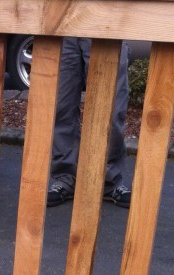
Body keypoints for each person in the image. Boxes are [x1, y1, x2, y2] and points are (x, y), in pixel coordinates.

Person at [47, 37, 132, 208]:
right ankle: (65, 178)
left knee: (112, 108)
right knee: (60, 107)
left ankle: (109, 180)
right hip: (61, 23)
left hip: (105, 22)